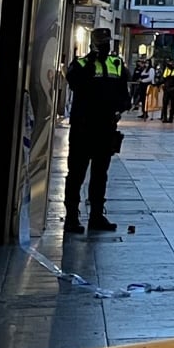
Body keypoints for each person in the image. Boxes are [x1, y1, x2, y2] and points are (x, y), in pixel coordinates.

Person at [64, 28, 130, 234]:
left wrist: (117, 108)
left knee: (100, 174)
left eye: (107, 41)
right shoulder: (81, 64)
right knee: (76, 173)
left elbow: (124, 96)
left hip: (105, 128)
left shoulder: (117, 64)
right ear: (93, 43)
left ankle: (96, 216)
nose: (105, 45)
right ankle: (72, 217)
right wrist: (91, 64)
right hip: (83, 128)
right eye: (101, 42)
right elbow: (74, 83)